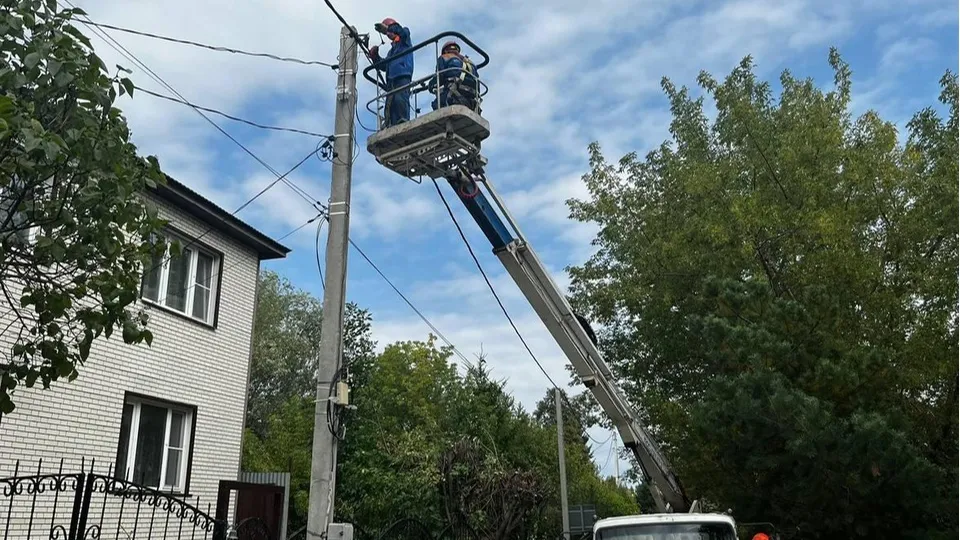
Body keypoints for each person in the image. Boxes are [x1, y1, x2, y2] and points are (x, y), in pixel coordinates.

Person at [369, 18, 413, 127]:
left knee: (400, 99)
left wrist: (387, 28)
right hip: (391, 79)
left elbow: (402, 32)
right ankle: (391, 124)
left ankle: (403, 120)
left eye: (389, 32)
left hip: (402, 75)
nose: (387, 35)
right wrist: (375, 57)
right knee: (390, 103)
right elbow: (384, 65)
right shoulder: (391, 52)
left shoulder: (405, 41)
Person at [427, 41, 480, 111]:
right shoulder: (470, 63)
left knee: (436, 104)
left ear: (445, 51)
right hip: (471, 101)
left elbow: (439, 77)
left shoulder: (444, 57)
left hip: (453, 96)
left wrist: (430, 85)